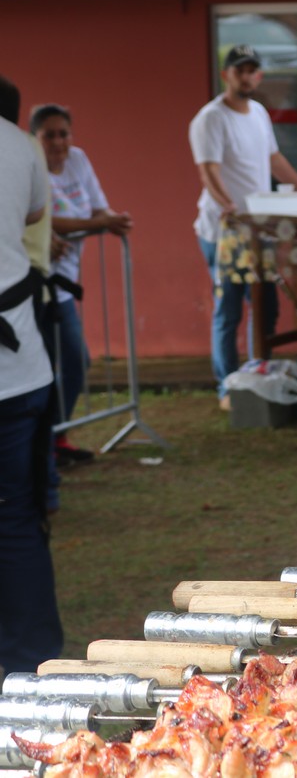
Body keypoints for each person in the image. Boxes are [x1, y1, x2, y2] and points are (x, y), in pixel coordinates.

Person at [189, 44, 297, 408]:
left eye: (252, 70)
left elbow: (273, 158)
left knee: (264, 304)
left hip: (259, 230)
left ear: (259, 75)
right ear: (227, 74)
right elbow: (208, 170)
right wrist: (229, 207)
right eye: (239, 69)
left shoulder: (258, 112)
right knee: (229, 310)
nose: (246, 76)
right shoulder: (210, 118)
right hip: (223, 230)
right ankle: (227, 386)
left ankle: (259, 374)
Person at [0, 73, 64, 676]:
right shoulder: (20, 145)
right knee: (15, 516)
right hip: (17, 364)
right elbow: (34, 215)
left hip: (16, 355)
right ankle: (32, 662)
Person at [30, 103, 133, 466]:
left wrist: (112, 220)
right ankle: (42, 442)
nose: (58, 143)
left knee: (69, 363)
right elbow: (41, 221)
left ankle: (53, 438)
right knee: (70, 361)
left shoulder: (79, 160)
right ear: (34, 137)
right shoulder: (29, 166)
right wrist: (86, 226)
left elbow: (97, 210)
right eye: (49, 135)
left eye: (64, 134)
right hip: (36, 284)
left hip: (65, 280)